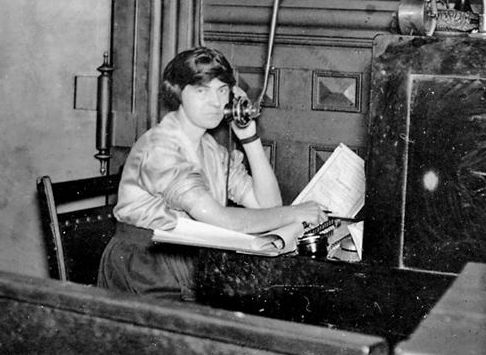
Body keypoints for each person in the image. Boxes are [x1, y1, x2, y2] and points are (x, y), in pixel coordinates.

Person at [97, 46, 326, 301]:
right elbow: (220, 219)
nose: (216, 103)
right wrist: (295, 213)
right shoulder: (160, 148)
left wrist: (249, 137)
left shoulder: (211, 149)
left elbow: (268, 205)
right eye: (201, 91)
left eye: (222, 90)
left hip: (188, 261)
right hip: (145, 268)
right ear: (177, 93)